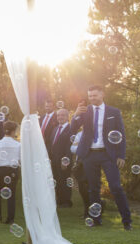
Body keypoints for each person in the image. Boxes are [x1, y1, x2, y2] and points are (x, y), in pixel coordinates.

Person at [71, 85, 132, 230]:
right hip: (89, 154)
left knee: (116, 187)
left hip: (108, 155)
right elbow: (72, 128)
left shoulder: (114, 112)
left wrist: (121, 155)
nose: (92, 98)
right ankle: (96, 220)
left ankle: (127, 221)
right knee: (93, 188)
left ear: (102, 95)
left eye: (95, 95)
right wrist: (76, 115)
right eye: (90, 96)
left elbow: (121, 135)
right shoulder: (85, 111)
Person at [0, 120, 21, 224]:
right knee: (11, 193)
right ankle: (10, 218)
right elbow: (20, 159)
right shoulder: (18, 144)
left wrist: (2, 161)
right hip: (13, 170)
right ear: (13, 131)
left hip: (0, 170)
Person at [48, 109, 73, 207]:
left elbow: (69, 146)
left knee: (65, 180)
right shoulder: (55, 129)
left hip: (64, 160)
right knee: (56, 180)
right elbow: (51, 144)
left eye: (62, 115)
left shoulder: (71, 129)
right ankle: (59, 200)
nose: (60, 117)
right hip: (54, 159)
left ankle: (66, 201)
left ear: (67, 117)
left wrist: (65, 161)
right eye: (58, 115)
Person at [70, 129, 91, 218]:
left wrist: (80, 145)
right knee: (82, 188)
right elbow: (72, 148)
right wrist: (85, 146)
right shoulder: (79, 134)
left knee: (90, 188)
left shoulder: (97, 132)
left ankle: (91, 212)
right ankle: (87, 211)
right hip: (80, 164)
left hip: (92, 163)